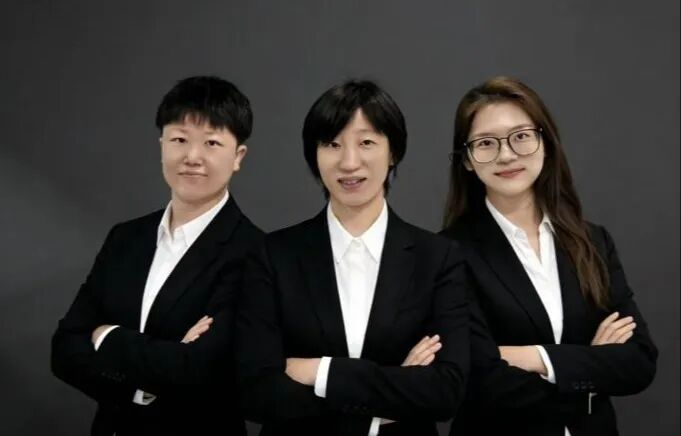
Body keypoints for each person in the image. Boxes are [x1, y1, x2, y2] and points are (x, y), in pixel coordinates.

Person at [235, 80, 469, 436]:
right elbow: (256, 392)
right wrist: (394, 390)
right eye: (332, 144)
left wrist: (319, 372)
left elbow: (445, 392)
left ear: (393, 152)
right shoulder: (273, 255)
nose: (349, 162)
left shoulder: (438, 258)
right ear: (314, 155)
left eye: (366, 143)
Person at [442, 76, 657, 435]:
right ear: (466, 159)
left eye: (521, 136)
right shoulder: (446, 254)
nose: (506, 154)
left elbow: (639, 361)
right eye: (486, 143)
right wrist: (592, 366)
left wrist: (529, 356)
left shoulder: (593, 241)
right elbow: (477, 379)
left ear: (546, 143)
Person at [51, 76, 263, 436]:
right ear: (162, 145)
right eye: (179, 139)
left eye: (211, 143)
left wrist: (106, 336)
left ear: (238, 156)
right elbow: (65, 349)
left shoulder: (256, 253)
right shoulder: (126, 238)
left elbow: (202, 370)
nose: (192, 157)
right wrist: (141, 388)